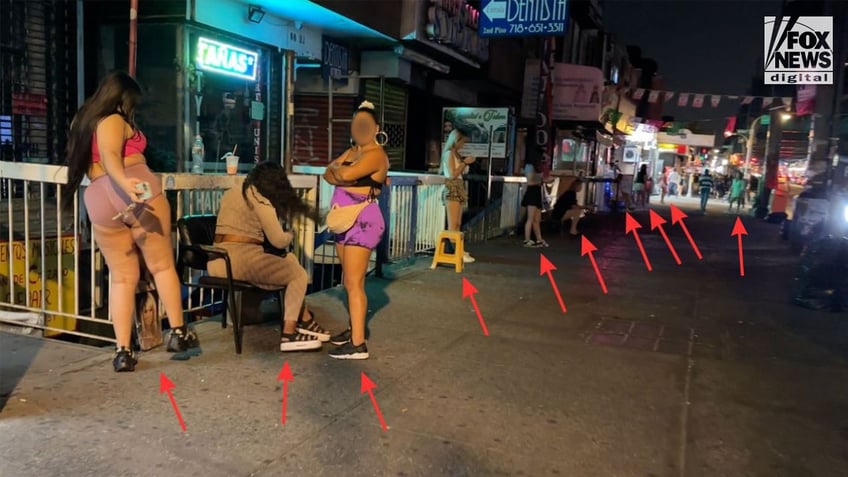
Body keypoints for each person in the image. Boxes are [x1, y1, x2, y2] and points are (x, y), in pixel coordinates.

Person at [62, 71, 198, 372]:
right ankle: (178, 332)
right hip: (133, 191)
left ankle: (123, 351)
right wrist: (127, 184)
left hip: (97, 196)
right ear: (122, 99)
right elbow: (111, 155)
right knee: (162, 266)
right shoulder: (112, 119)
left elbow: (97, 160)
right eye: (131, 104)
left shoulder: (80, 122)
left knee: (122, 278)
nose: (132, 110)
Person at [209, 162, 330, 352]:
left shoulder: (232, 192)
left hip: (217, 259)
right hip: (242, 261)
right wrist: (291, 233)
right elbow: (278, 241)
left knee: (289, 260)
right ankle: (289, 333)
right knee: (298, 275)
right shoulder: (260, 200)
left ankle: (304, 318)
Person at [322, 100, 389, 360]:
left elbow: (343, 175)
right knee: (351, 281)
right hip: (344, 220)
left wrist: (342, 171)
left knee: (352, 282)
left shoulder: (375, 154)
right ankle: (354, 332)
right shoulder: (353, 151)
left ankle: (358, 344)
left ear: (375, 128)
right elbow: (328, 173)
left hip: (363, 220)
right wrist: (341, 171)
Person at [441, 128, 476, 262]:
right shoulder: (449, 154)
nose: (463, 145)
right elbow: (452, 174)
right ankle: (456, 252)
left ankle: (459, 250)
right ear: (456, 140)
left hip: (459, 187)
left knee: (458, 223)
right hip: (453, 188)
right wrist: (465, 163)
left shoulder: (456, 154)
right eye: (462, 142)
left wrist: (464, 163)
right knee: (453, 223)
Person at [521, 146, 548, 247]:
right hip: (532, 192)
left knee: (537, 219)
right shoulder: (529, 166)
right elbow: (530, 182)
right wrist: (541, 180)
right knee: (530, 218)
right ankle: (527, 240)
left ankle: (539, 239)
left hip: (536, 192)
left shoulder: (537, 166)